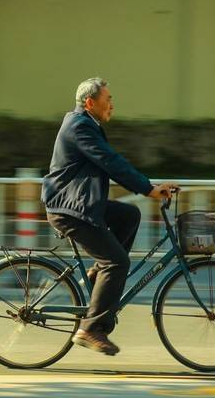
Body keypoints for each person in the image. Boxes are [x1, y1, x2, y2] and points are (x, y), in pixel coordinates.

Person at [42, 77, 179, 356]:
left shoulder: (86, 124)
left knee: (128, 215)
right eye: (108, 100)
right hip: (69, 209)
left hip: (81, 204)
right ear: (90, 103)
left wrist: (148, 188)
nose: (112, 105)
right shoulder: (80, 126)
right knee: (117, 262)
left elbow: (111, 162)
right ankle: (90, 328)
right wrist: (149, 188)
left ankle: (97, 274)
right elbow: (111, 162)